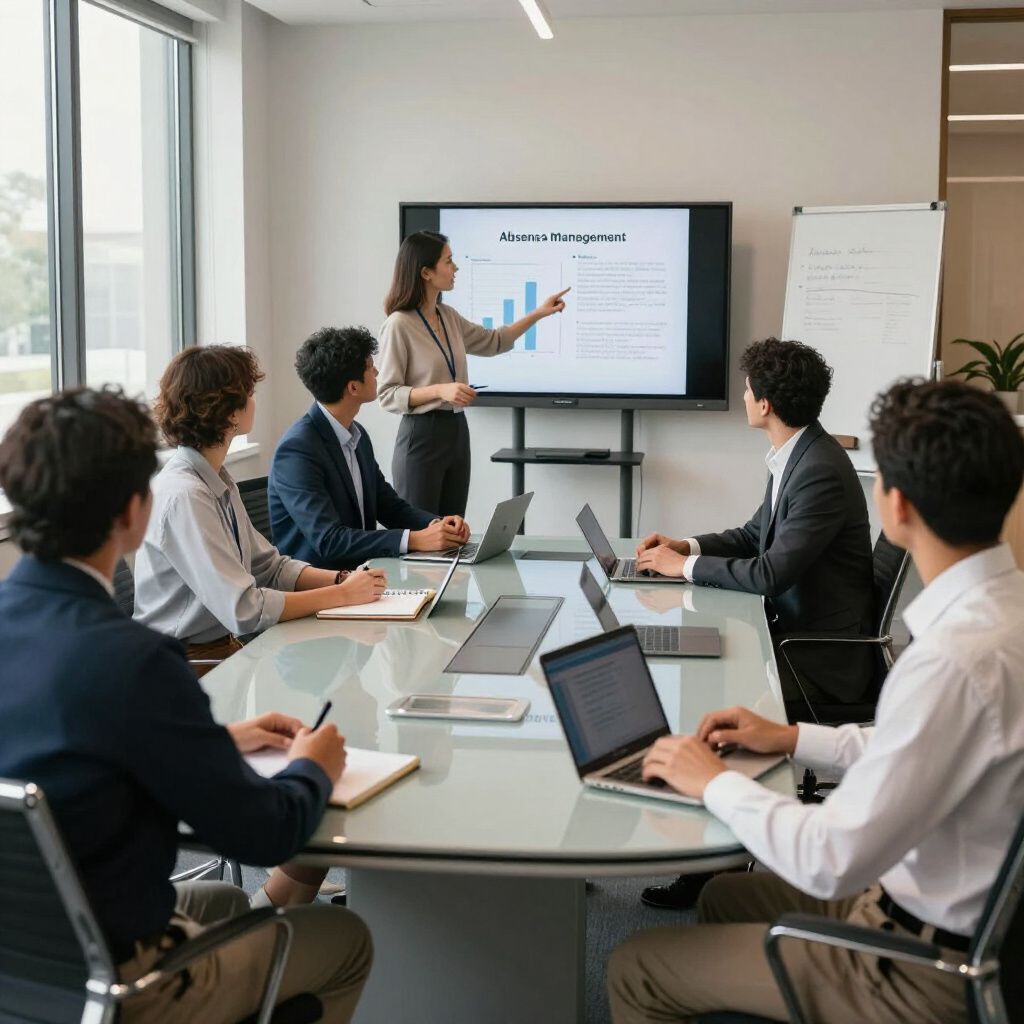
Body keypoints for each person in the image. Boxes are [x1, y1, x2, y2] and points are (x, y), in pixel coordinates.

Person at [608, 379, 1024, 1024]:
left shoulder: (950, 660)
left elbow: (828, 860)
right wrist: (794, 739)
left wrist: (711, 781)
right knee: (722, 897)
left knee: (635, 967)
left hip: (916, 966)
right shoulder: (1004, 614)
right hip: (929, 902)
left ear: (896, 505)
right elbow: (917, 745)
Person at [0, 387, 372, 1023]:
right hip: (120, 981)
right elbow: (264, 832)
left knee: (225, 903)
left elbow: (65, 746)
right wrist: (314, 764)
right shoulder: (136, 661)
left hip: (25, 962)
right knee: (346, 942)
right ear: (135, 513)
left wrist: (216, 740)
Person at [636, 337, 876, 909]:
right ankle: (705, 857)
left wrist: (685, 568)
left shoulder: (815, 467)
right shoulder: (796, 453)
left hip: (819, 659)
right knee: (699, 670)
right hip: (791, 635)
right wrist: (684, 544)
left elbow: (771, 571)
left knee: (709, 699)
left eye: (748, 388)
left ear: (765, 403)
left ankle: (704, 869)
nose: (744, 394)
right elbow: (752, 536)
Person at [134, 345, 387, 666]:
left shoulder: (217, 479)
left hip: (221, 648)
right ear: (229, 410)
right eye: (249, 393)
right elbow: (245, 609)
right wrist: (343, 595)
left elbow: (270, 568)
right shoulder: (185, 495)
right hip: (181, 664)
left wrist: (344, 579)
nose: (254, 401)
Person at [377, 229, 569, 516]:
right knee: (423, 533)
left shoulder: (448, 316)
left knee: (453, 530)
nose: (455, 268)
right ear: (427, 272)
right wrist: (441, 390)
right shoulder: (399, 324)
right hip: (422, 435)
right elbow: (387, 394)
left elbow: (495, 342)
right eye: (448, 261)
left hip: (456, 432)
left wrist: (539, 313)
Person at [270, 325, 470, 568]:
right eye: (369, 367)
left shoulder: (357, 435)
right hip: (323, 587)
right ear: (353, 387)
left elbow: (389, 506)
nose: (376, 371)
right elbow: (329, 540)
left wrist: (438, 525)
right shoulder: (297, 450)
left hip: (363, 575)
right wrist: (415, 540)